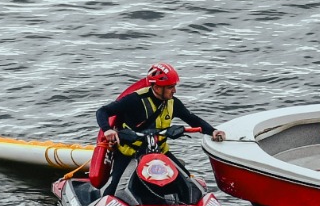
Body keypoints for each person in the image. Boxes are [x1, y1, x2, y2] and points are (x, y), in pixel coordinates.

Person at [95, 62, 225, 194]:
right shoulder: (134, 100)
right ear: (157, 87)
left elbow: (193, 119)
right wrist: (107, 129)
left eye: (174, 86)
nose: (174, 91)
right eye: (170, 87)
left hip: (159, 152)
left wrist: (213, 131)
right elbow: (102, 111)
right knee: (113, 189)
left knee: (189, 184)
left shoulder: (173, 103)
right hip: (129, 154)